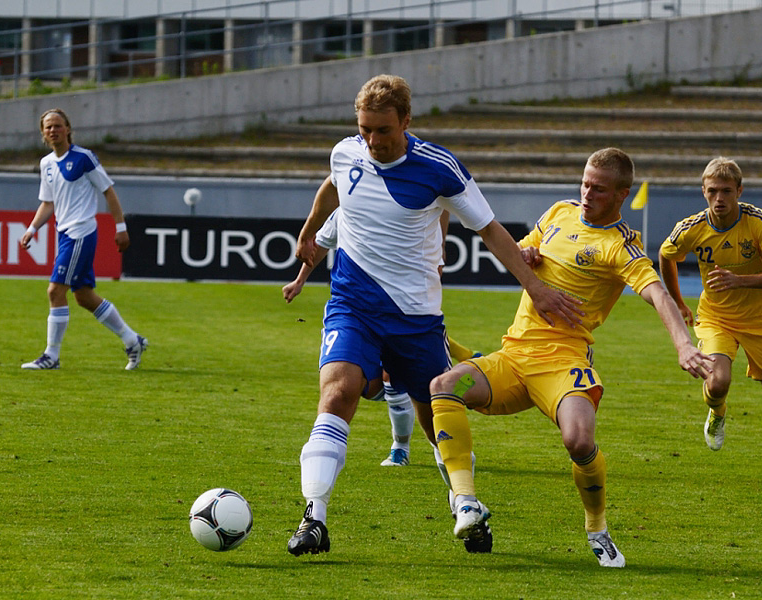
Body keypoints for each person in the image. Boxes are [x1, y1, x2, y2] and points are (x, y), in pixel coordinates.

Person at [286, 74, 583, 557]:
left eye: (383, 130)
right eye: (364, 130)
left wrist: (536, 288)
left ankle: (464, 503)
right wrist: (310, 231)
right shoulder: (347, 152)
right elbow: (332, 186)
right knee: (337, 391)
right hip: (353, 305)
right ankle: (314, 516)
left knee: (432, 418)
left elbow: (490, 229)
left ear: (406, 120)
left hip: (415, 319)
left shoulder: (439, 168)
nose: (372, 141)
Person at [429, 148, 713, 567]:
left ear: (621, 194)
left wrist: (684, 344)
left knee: (579, 440)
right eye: (584, 182)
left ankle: (597, 528)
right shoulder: (560, 212)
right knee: (445, 386)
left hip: (563, 365)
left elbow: (658, 294)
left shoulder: (620, 246)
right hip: (512, 359)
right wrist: (526, 254)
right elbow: (522, 248)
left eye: (598, 188)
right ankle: (467, 502)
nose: (587, 192)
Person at [282, 208, 484, 469]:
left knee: (425, 390)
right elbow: (320, 243)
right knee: (367, 387)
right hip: (361, 317)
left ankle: (426, 448)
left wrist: (440, 243)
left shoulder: (410, 214)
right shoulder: (347, 211)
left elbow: (443, 201)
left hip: (409, 319)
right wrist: (299, 281)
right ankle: (404, 446)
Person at [659, 157, 762, 484]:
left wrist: (740, 280)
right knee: (718, 381)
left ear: (739, 190)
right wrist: (677, 301)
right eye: (712, 191)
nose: (719, 199)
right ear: (703, 191)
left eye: (726, 191)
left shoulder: (758, 222)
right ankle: (717, 411)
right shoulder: (691, 228)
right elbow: (666, 255)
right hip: (716, 318)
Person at [19, 108, 148, 371]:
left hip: (81, 232)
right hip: (64, 234)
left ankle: (51, 356)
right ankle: (132, 340)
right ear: (43, 134)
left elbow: (108, 191)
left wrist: (121, 227)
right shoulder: (47, 164)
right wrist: (32, 228)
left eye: (58, 125)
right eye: (48, 127)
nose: (53, 130)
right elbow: (48, 203)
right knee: (84, 296)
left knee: (55, 291)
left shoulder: (84, 158)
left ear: (68, 129)